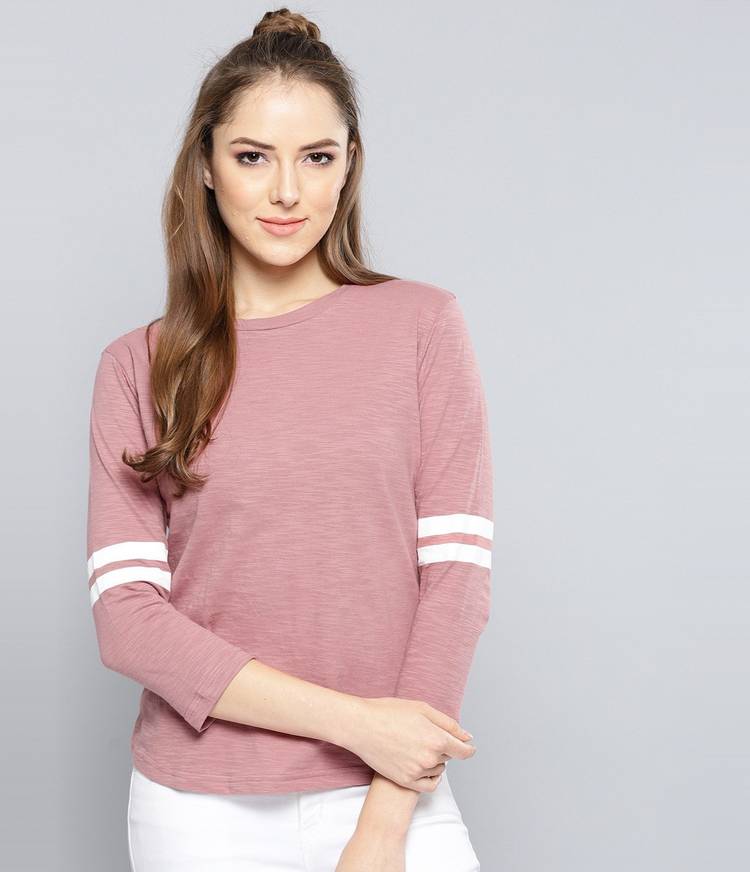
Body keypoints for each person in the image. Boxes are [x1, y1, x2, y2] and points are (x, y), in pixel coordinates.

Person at [86, 7, 493, 871]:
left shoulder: (422, 326)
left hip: (391, 792)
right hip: (198, 811)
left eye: (316, 157)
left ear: (349, 166)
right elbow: (128, 622)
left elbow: (455, 583)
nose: (285, 192)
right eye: (251, 157)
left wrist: (384, 820)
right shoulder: (138, 366)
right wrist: (357, 723)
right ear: (205, 165)